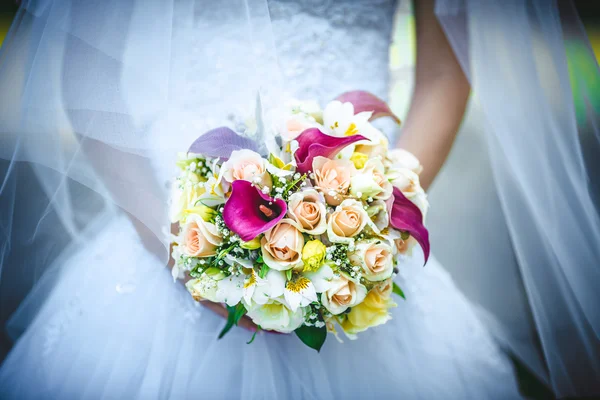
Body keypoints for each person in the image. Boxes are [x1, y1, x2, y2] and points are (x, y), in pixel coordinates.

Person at [0, 0, 597, 398]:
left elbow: (446, 72)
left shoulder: (367, 224)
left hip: (360, 234)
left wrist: (377, 219)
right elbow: (86, 67)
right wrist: (175, 246)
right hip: (167, 229)